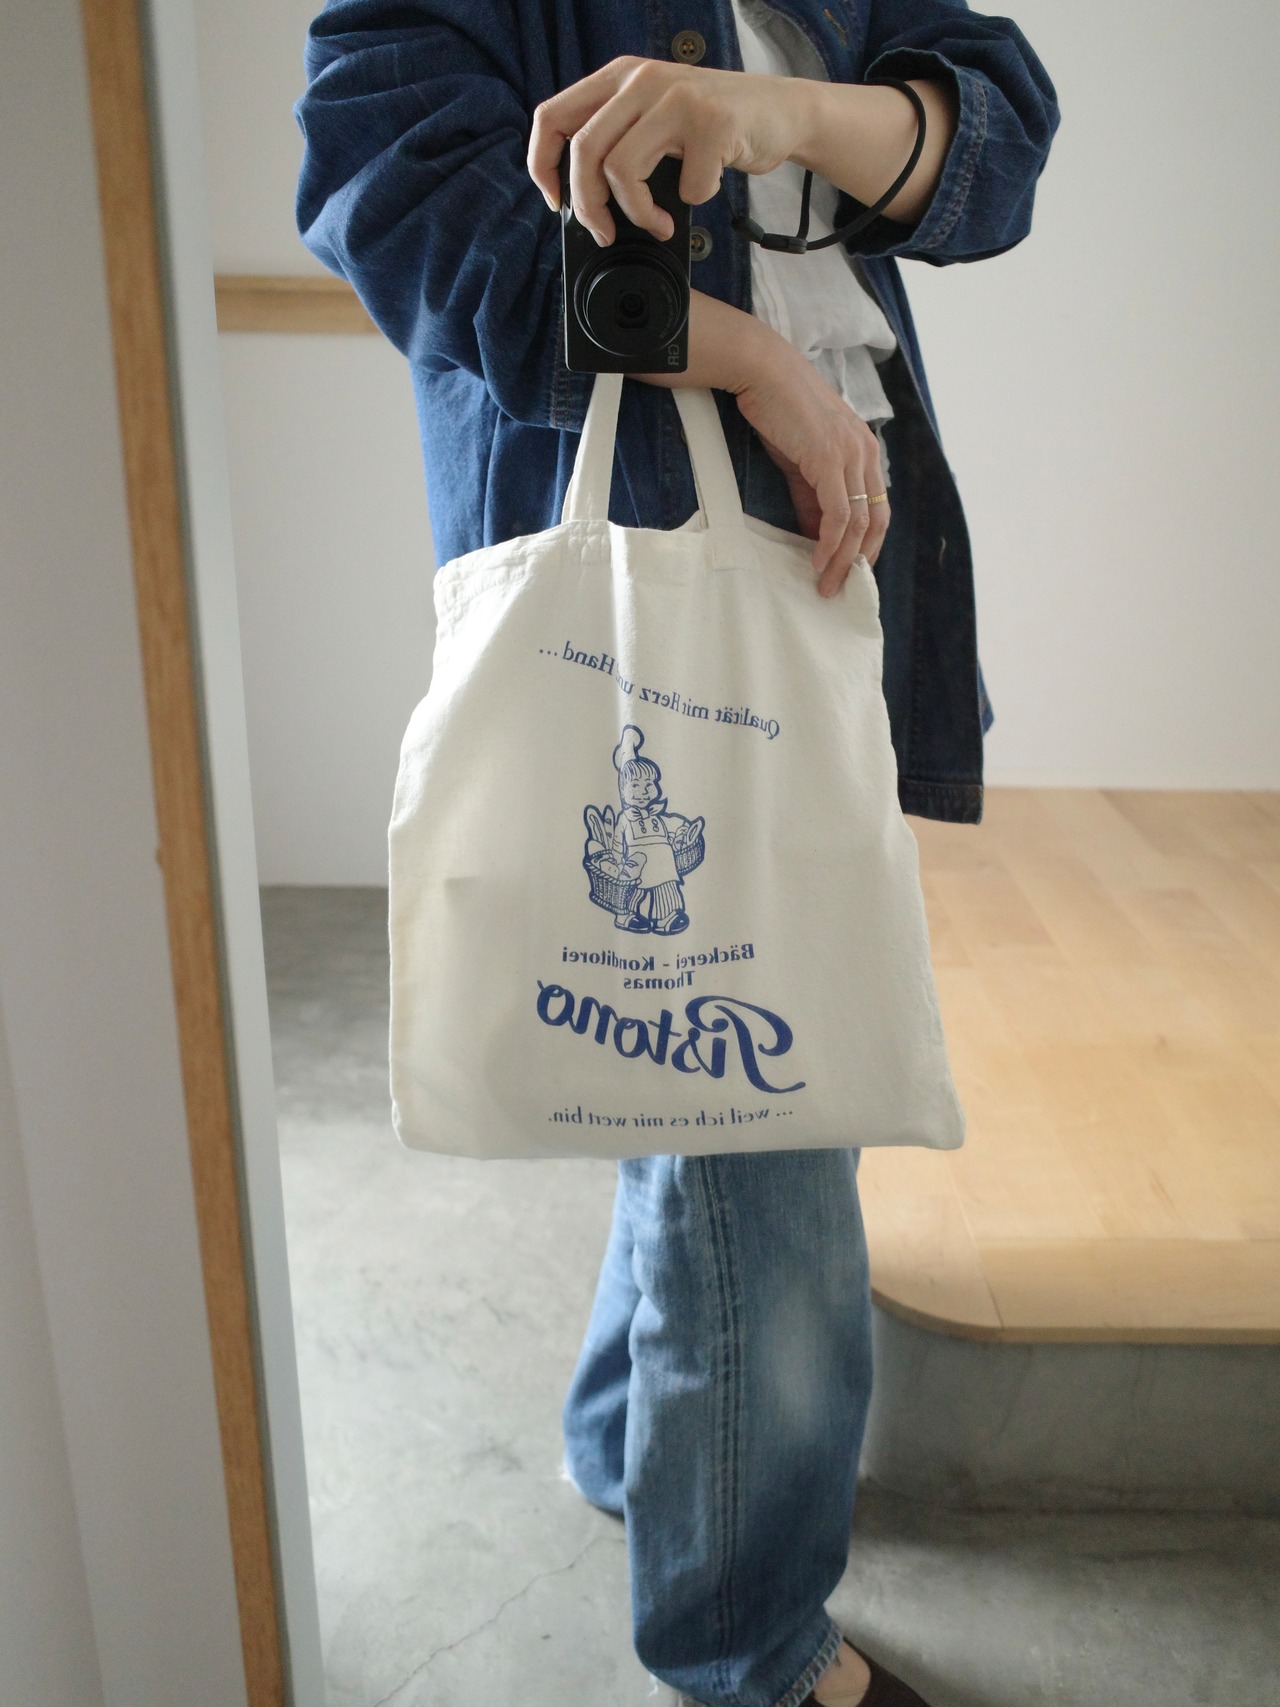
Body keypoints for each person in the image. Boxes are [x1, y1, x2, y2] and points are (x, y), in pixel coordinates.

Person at [295, 4, 1059, 1703]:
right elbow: (395, 205)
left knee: (698, 1060)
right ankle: (748, 1653)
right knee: (766, 1119)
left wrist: (773, 115)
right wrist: (757, 361)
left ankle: (632, 1443)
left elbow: (996, 145)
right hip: (642, 579)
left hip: (838, 547)